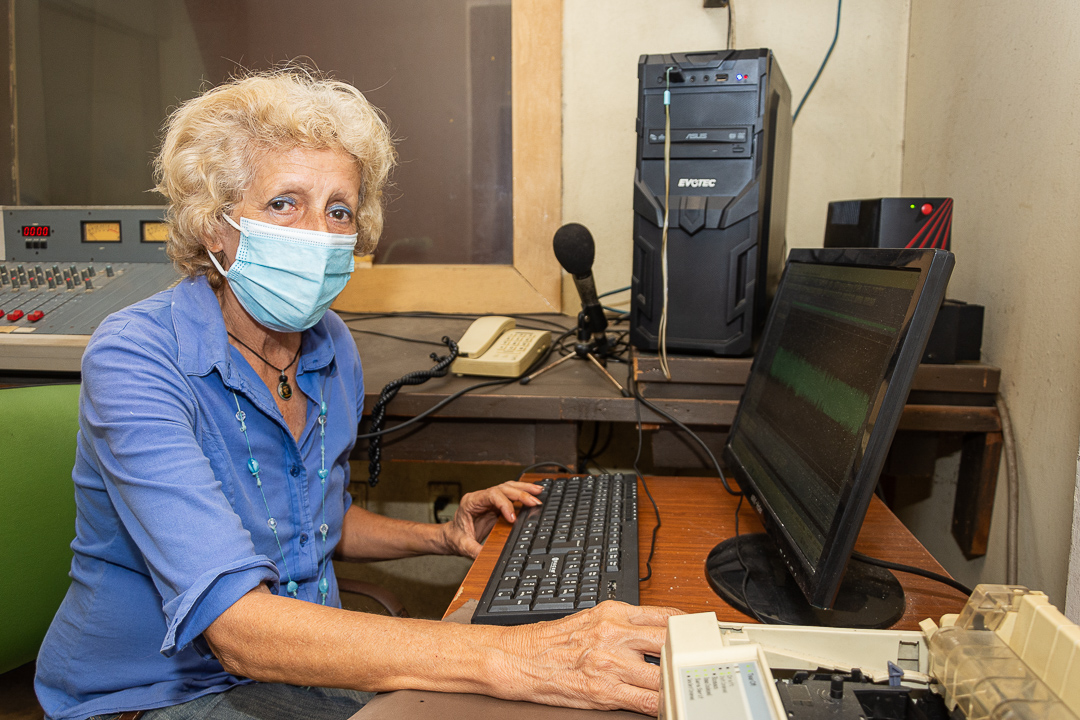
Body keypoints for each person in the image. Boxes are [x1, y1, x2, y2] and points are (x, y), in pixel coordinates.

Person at [34, 68, 681, 720]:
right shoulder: (137, 357)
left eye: (338, 210)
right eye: (284, 203)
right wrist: (523, 656)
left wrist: (442, 536)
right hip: (155, 693)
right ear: (214, 226)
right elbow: (237, 630)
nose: (318, 232)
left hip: (300, 673)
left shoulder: (330, 345)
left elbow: (312, 519)